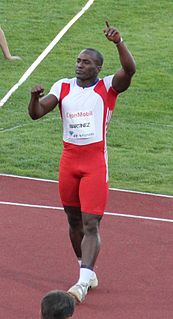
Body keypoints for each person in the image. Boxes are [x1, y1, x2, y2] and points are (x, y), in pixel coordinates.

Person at [28, 21, 136, 303]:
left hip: (94, 163)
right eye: (78, 60)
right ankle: (84, 268)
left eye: (86, 62)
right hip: (69, 161)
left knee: (91, 223)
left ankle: (82, 282)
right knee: (73, 220)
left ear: (98, 68)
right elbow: (37, 113)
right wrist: (33, 98)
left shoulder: (108, 87)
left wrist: (119, 41)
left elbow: (130, 70)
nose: (79, 65)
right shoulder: (63, 86)